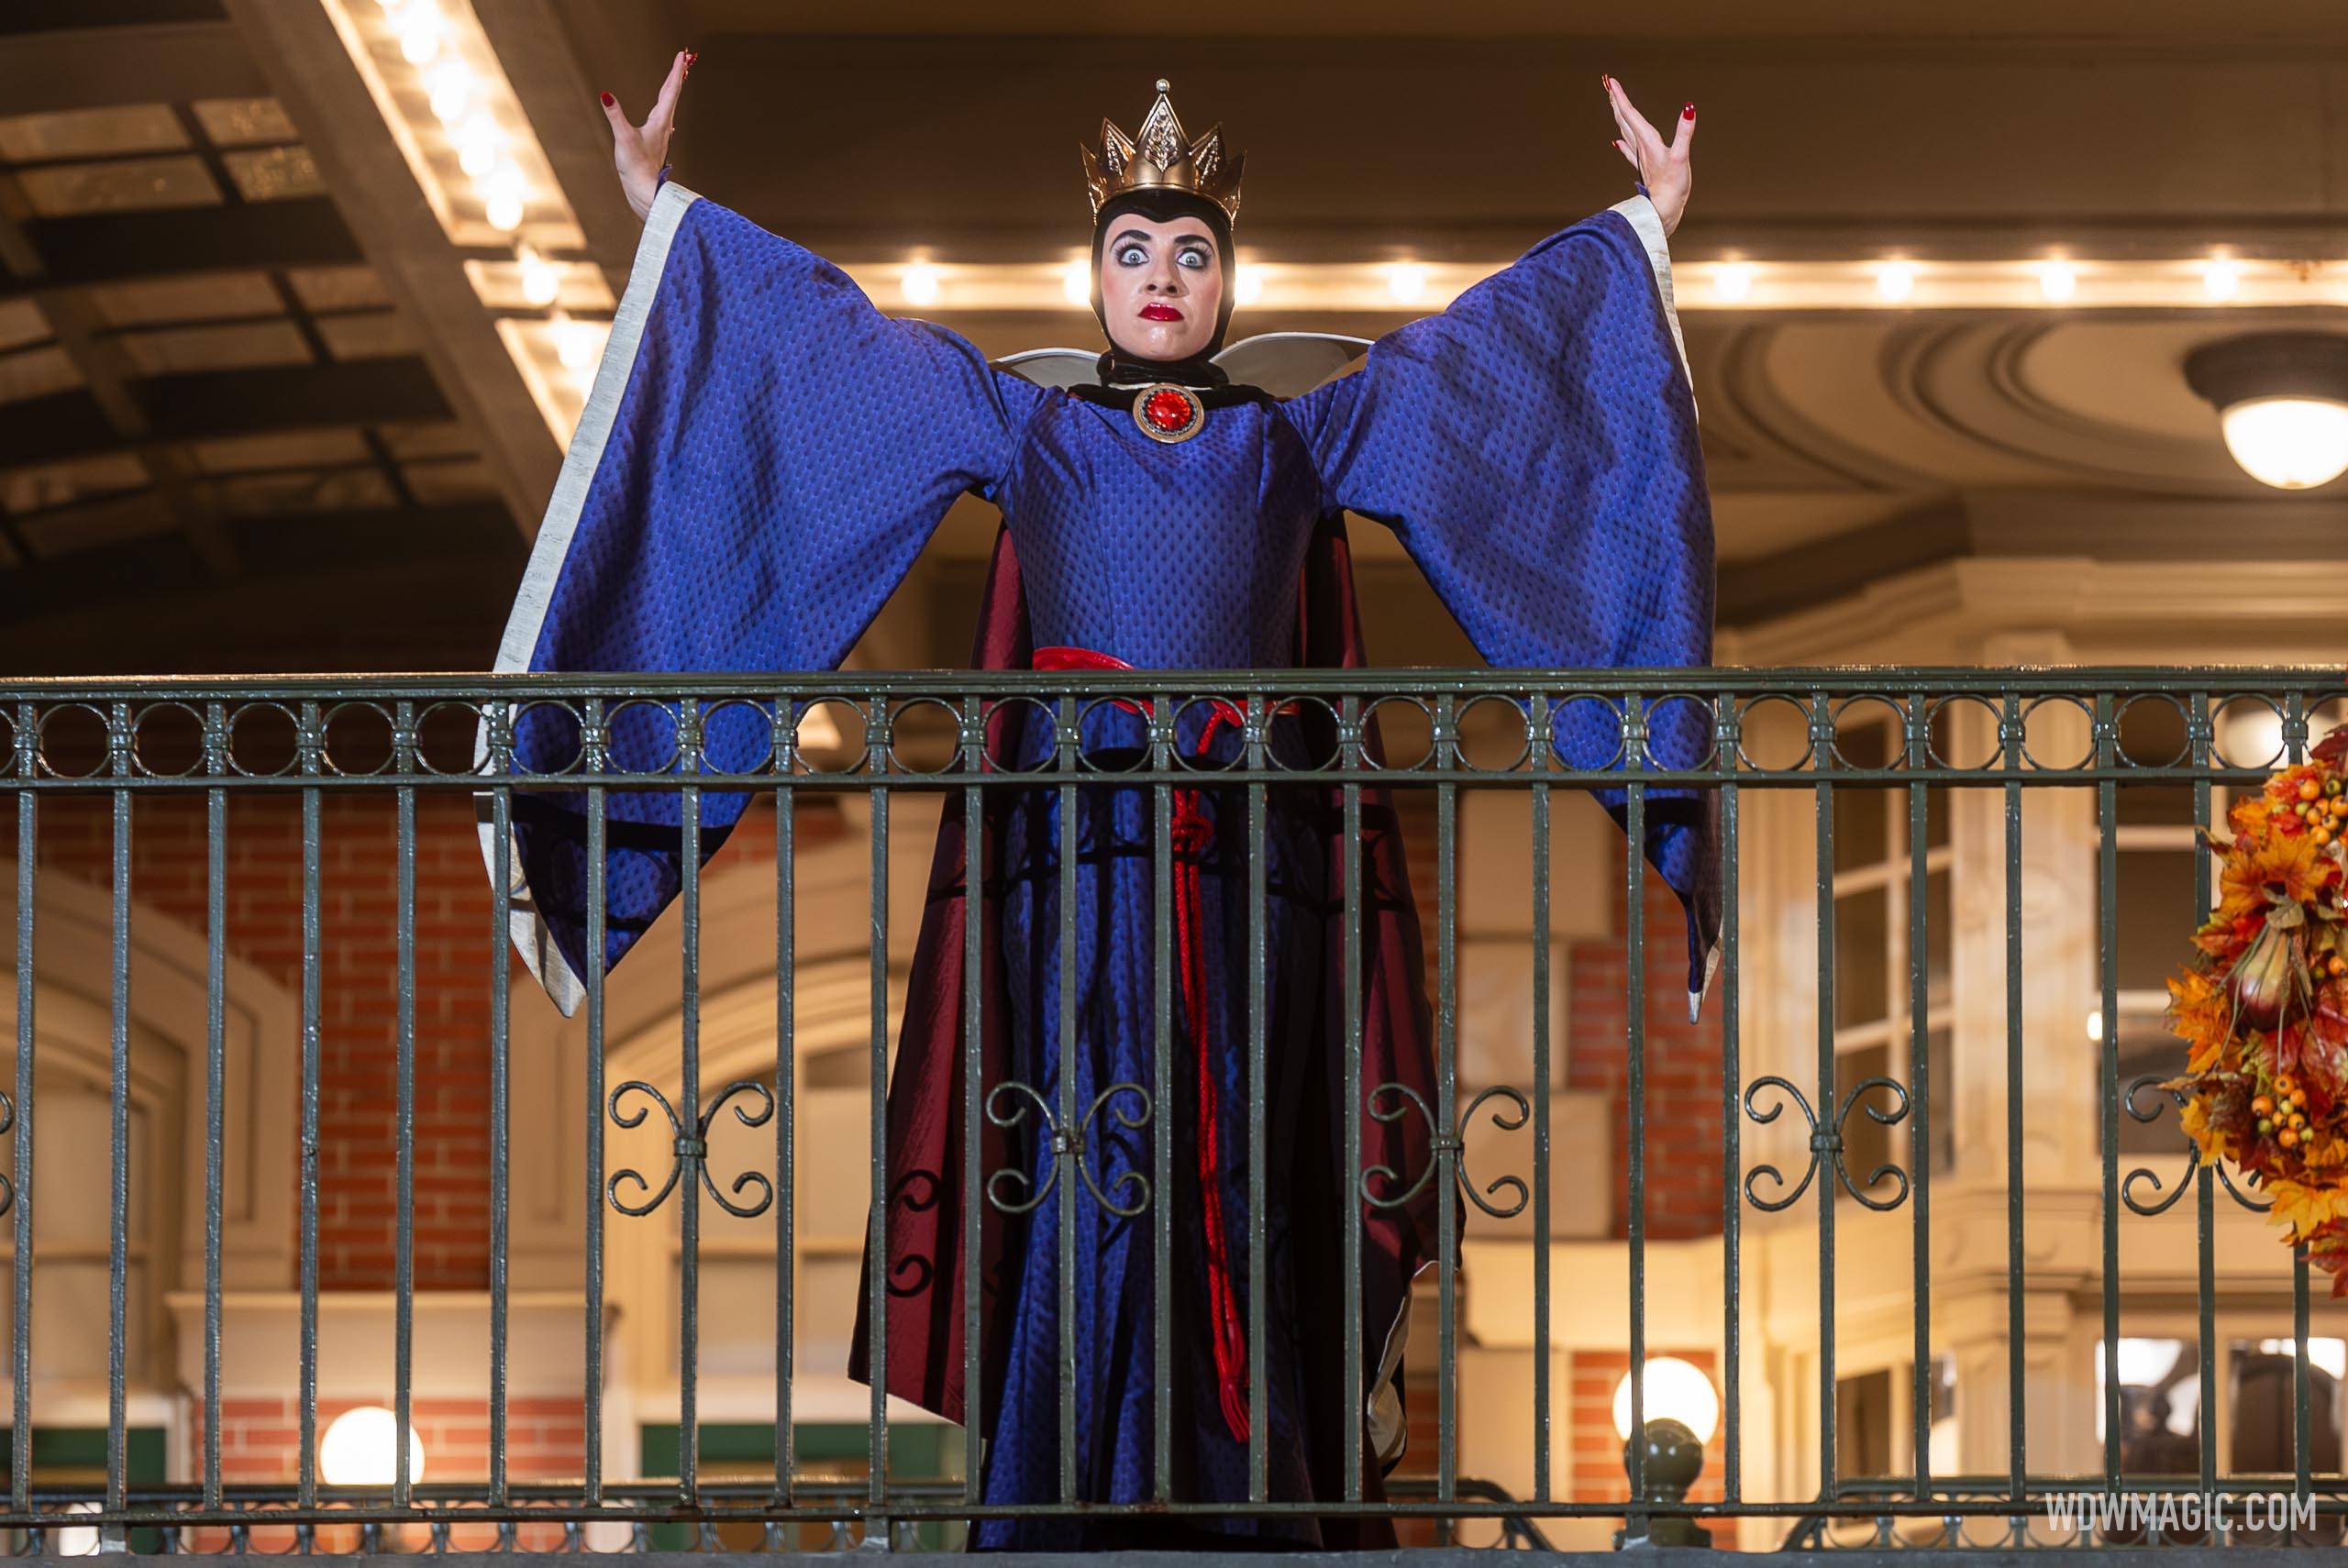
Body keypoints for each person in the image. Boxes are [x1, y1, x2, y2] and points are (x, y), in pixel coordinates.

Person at [487, 55, 1716, 1551]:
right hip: (1073, 860)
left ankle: (1254, 1487)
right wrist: (664, 211)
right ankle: (1062, 1481)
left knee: (1246, 1152)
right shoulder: (1027, 430)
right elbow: (819, 355)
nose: (1163, 274)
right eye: (1134, 250)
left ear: (1224, 284)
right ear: (1094, 277)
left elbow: (1491, 379)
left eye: (1192, 253)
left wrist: (1643, 226)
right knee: (1079, 1146)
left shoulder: (1293, 438)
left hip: (1249, 868)